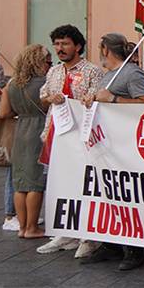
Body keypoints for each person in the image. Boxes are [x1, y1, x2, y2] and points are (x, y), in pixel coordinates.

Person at [79, 33, 144, 271]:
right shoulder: (109, 75)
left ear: (105, 50)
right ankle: (112, 244)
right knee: (110, 196)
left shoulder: (131, 73)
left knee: (130, 197)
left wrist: (112, 98)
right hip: (110, 147)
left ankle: (135, 250)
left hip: (129, 146)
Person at [36, 25, 104, 256]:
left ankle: (88, 235)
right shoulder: (54, 72)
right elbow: (42, 95)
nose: (60, 48)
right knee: (60, 182)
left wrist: (85, 99)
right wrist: (49, 98)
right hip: (56, 133)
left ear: (77, 46)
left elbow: (96, 98)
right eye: (56, 44)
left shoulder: (92, 71)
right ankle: (64, 231)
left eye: (64, 43)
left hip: (82, 136)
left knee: (84, 184)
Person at [0, 45, 50, 239]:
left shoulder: (11, 85)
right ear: (38, 61)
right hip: (38, 131)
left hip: (20, 133)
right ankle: (32, 227)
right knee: (36, 182)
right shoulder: (44, 83)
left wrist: (22, 112)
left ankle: (21, 227)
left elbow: (4, 113)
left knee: (20, 183)